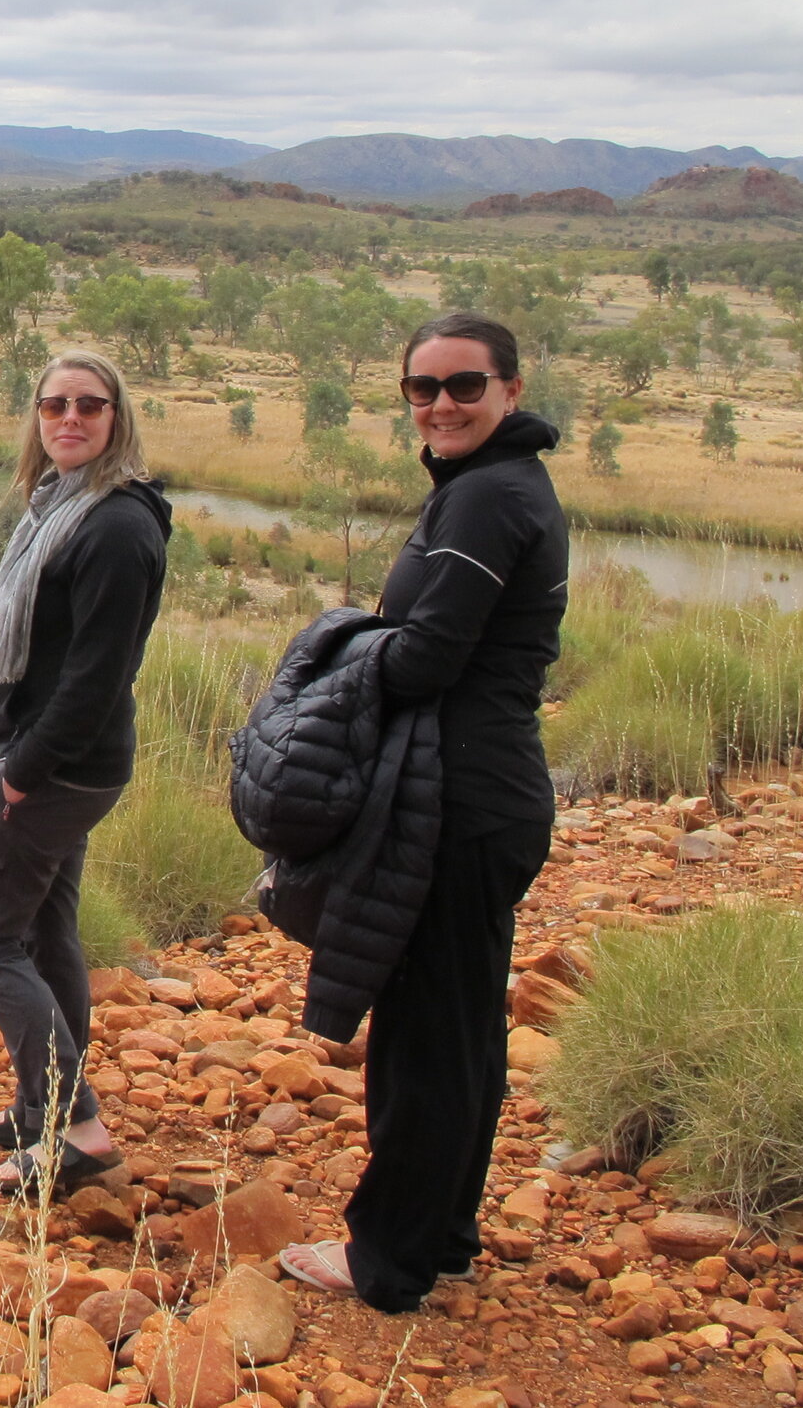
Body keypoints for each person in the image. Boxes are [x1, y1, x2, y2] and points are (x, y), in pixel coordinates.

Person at [279, 312, 567, 1312]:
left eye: (463, 385)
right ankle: (437, 1230)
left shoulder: (487, 498)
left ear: (510, 390)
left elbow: (427, 656)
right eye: (421, 387)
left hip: (460, 798)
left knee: (425, 1035)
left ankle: (388, 1256)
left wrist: (342, 644)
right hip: (485, 792)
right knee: (458, 1025)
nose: (439, 403)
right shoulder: (494, 486)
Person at [0, 349, 170, 1196]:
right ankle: (42, 1110)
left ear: (118, 416)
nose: (69, 418)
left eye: (89, 404)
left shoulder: (116, 526)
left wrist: (21, 771)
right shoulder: (64, 508)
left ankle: (76, 1126)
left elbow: (97, 677)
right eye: (54, 405)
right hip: (58, 757)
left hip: (56, 764)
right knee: (44, 929)